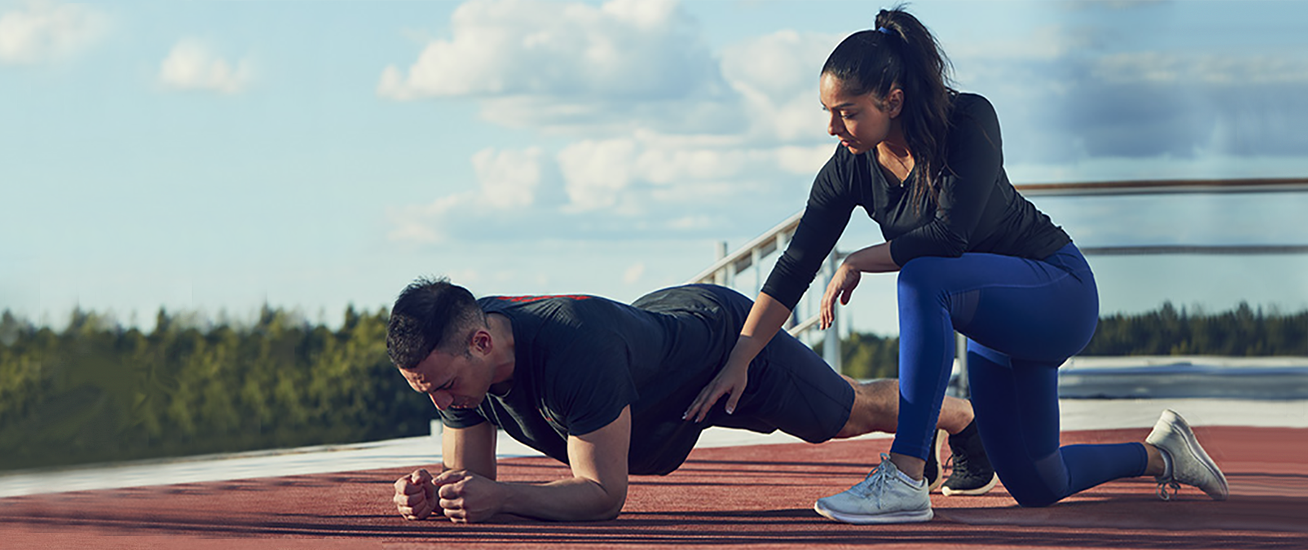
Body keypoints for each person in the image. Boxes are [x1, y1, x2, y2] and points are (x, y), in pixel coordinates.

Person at [683, 7, 1229, 525]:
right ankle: (1163, 455)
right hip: (994, 327)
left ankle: (904, 475)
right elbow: (797, 261)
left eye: (847, 112)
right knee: (1039, 483)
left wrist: (857, 260)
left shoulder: (968, 121)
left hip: (1057, 292)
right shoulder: (848, 168)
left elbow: (949, 236)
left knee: (923, 276)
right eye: (828, 112)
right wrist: (742, 356)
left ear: (892, 100)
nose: (833, 127)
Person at [387, 278, 995, 523]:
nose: (443, 401)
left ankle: (959, 416)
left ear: (482, 341)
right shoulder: (456, 362)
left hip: (718, 344)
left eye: (442, 385)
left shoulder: (574, 352)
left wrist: (498, 497)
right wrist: (436, 491)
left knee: (844, 416)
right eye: (426, 390)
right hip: (653, 360)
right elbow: (472, 480)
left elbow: (603, 496)